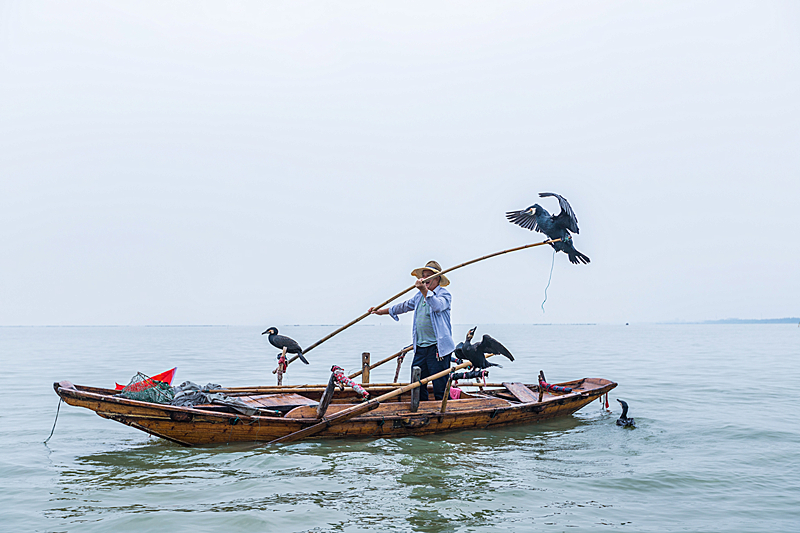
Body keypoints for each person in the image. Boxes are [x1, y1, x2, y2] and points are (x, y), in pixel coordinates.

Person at [369, 260, 455, 401]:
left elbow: (437, 306)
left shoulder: (444, 295)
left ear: (437, 278)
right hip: (421, 348)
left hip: (438, 350)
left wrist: (424, 290)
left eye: (428, 276)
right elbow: (403, 306)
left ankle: (445, 414)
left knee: (440, 386)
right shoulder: (418, 296)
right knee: (417, 383)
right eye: (423, 276)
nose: (424, 279)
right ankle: (421, 410)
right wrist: (380, 311)